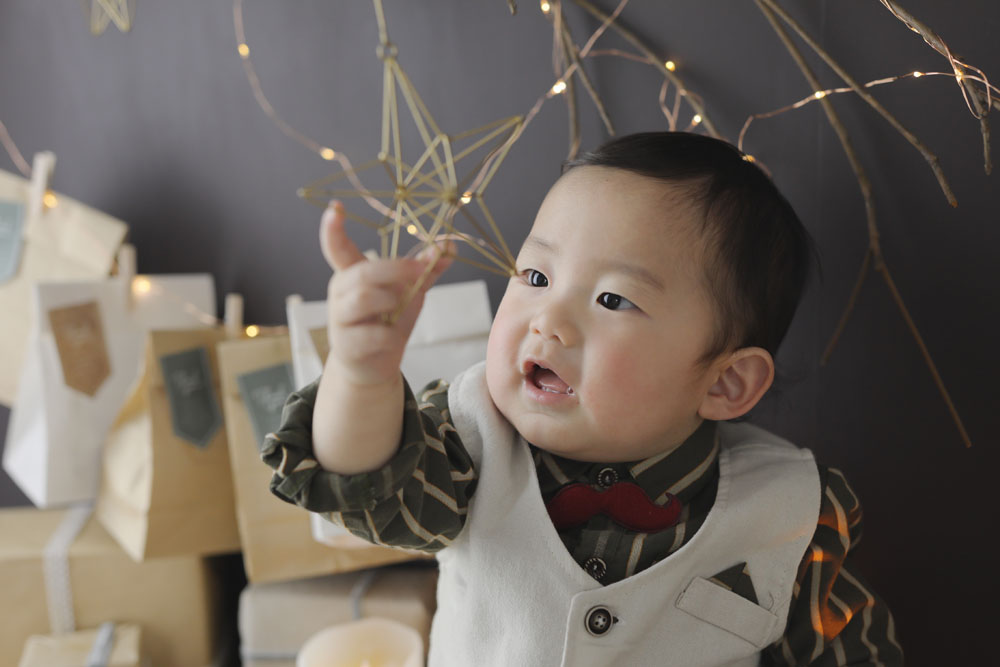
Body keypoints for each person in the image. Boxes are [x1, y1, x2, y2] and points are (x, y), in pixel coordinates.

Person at [263, 132, 903, 666]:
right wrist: (362, 372)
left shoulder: (789, 516)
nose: (549, 320)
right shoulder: (468, 447)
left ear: (723, 383)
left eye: (613, 299)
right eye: (536, 276)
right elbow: (367, 487)